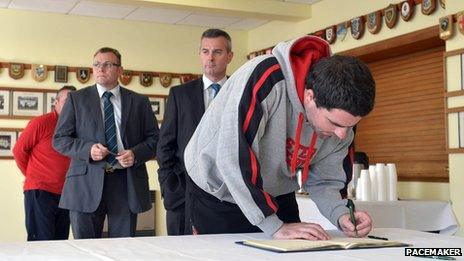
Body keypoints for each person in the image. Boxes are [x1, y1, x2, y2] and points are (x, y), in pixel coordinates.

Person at [184, 35, 375, 239]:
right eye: (335, 124)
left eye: (350, 126)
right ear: (310, 97)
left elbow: (325, 181)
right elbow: (232, 156)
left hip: (275, 193)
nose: (342, 134)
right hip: (220, 192)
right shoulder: (264, 78)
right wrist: (274, 226)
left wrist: (341, 214)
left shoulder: (344, 119)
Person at [53, 47, 159, 239]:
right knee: (86, 250)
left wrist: (135, 154)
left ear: (120, 70)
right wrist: (88, 149)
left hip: (126, 181)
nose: (101, 68)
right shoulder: (77, 99)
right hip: (85, 182)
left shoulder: (139, 101)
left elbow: (155, 139)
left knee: (123, 248)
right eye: (97, 64)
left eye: (108, 64)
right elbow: (60, 140)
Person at [157, 28, 234, 235]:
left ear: (229, 56)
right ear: (200, 54)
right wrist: (168, 186)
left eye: (217, 52)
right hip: (183, 194)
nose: (210, 58)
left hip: (229, 196)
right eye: (205, 51)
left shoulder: (240, 92)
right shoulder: (179, 94)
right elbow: (165, 146)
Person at [13, 85, 76, 241]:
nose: (71, 106)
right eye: (67, 101)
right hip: (40, 191)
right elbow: (18, 151)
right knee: (41, 243)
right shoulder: (40, 123)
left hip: (66, 193)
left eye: (74, 102)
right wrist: (32, 175)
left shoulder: (77, 127)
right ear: (56, 102)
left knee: (60, 242)